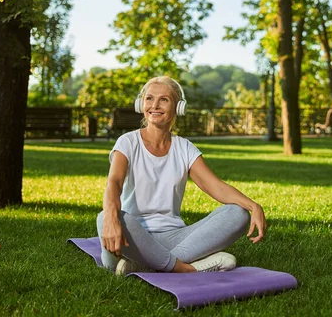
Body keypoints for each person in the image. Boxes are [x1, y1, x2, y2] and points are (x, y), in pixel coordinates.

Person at [96, 76, 267, 275]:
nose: (155, 105)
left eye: (164, 100)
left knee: (238, 213)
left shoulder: (184, 148)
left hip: (174, 235)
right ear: (141, 104)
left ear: (178, 107)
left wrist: (253, 205)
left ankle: (147, 264)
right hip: (132, 236)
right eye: (149, 99)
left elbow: (215, 186)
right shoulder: (127, 142)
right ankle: (185, 267)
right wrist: (111, 218)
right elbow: (114, 183)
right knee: (104, 218)